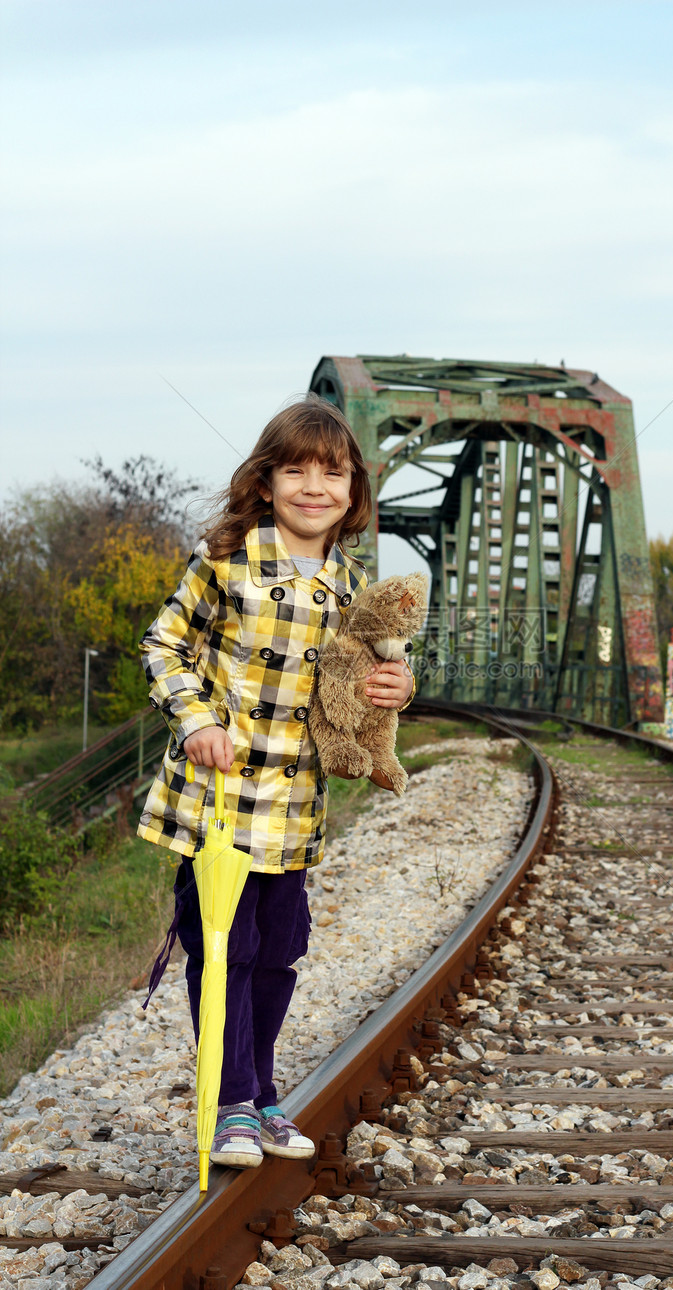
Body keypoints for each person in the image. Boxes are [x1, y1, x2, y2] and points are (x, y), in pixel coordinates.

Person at [137, 395, 415, 1169]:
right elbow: (164, 645)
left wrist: (396, 688)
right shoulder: (223, 560)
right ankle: (227, 1104)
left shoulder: (352, 588)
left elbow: (373, 672)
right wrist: (195, 720)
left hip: (294, 805)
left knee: (279, 950)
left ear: (353, 492)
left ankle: (258, 1094)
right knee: (224, 948)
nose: (313, 486)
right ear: (266, 482)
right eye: (296, 470)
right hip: (217, 799)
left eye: (332, 473)